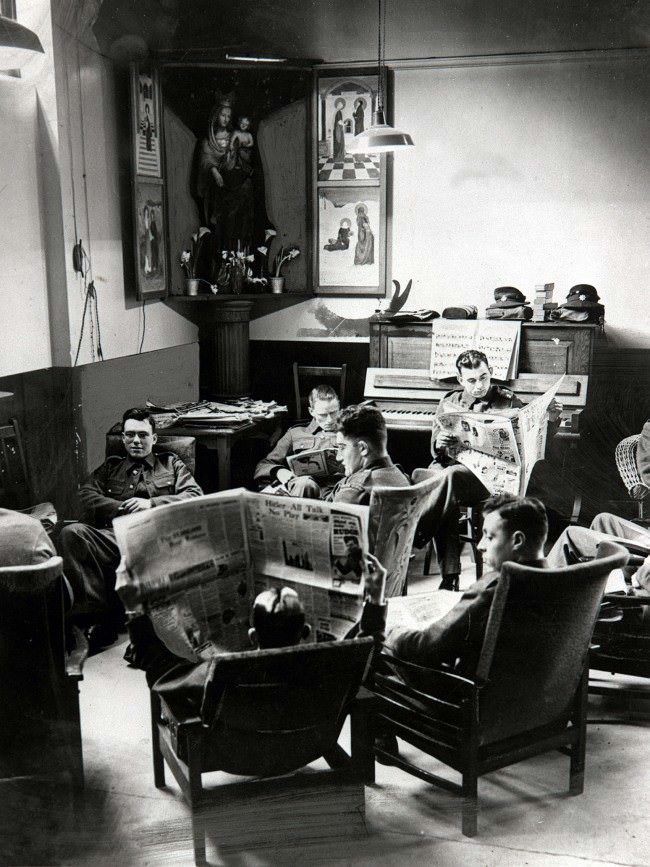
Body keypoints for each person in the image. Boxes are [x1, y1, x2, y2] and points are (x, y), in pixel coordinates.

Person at [124, 553, 389, 706]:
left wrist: (134, 609)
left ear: (252, 636)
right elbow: (369, 647)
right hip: (308, 747)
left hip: (237, 759)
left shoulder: (219, 672)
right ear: (306, 631)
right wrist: (375, 598)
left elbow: (160, 674)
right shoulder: (329, 667)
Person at [413, 349, 562, 590]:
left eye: (483, 377)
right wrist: (440, 442)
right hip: (454, 469)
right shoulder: (449, 402)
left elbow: (531, 441)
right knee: (444, 483)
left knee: (444, 480)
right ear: (460, 380)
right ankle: (450, 577)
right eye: (471, 380)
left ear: (491, 372)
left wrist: (552, 420)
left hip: (488, 479)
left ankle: (417, 534)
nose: (479, 385)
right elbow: (435, 447)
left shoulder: (508, 400)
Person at [57, 407, 203, 652]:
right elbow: (85, 494)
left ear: (153, 439)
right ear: (123, 438)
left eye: (143, 435)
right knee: (72, 533)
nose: (136, 441)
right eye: (130, 435)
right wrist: (119, 508)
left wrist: (151, 503)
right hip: (114, 536)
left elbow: (194, 495)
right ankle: (97, 620)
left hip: (154, 536)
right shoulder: (111, 467)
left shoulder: (170, 464)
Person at [386, 494, 549, 676]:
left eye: (489, 537)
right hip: (523, 691)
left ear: (517, 541)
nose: (480, 545)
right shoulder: (560, 579)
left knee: (377, 637)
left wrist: (393, 632)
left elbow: (427, 648)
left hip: (465, 693)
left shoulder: (494, 586)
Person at [254, 385, 344, 498]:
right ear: (311, 411)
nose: (330, 420)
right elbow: (264, 464)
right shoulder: (295, 433)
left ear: (340, 408)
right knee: (304, 483)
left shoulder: (349, 434)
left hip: (338, 489)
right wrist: (279, 471)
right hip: (303, 488)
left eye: (334, 413)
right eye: (323, 415)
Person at [327, 404, 409, 506]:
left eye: (342, 447)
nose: (338, 457)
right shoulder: (403, 477)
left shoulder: (353, 492)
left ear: (363, 448)